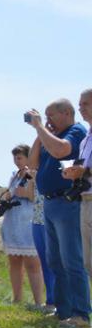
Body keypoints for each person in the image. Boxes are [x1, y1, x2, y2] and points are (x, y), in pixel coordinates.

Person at [27, 99, 90, 328]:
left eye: (51, 115)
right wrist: (39, 133)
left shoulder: (76, 131)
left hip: (67, 202)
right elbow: (32, 163)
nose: (48, 120)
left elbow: (61, 150)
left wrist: (40, 127)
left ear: (66, 113)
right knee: (55, 260)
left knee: (71, 259)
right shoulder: (49, 136)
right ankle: (63, 311)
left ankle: (80, 313)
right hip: (50, 203)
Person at [0, 144, 44, 304]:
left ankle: (38, 301)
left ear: (28, 157)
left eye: (20, 158)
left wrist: (25, 192)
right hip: (12, 222)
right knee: (14, 261)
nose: (17, 161)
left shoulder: (35, 173)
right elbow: (9, 193)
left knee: (33, 264)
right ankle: (17, 298)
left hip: (28, 222)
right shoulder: (15, 175)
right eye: (15, 158)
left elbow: (38, 197)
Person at [63, 88, 92, 281]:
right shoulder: (85, 139)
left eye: (86, 104)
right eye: (80, 104)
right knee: (89, 263)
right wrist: (73, 173)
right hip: (85, 200)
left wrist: (85, 171)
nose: (81, 108)